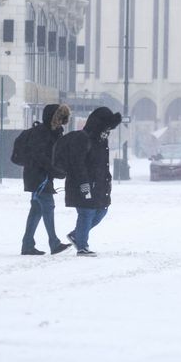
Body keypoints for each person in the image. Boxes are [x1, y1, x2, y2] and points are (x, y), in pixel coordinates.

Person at [57, 106, 122, 257]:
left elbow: (102, 164)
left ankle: (77, 236)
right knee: (86, 213)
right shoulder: (83, 139)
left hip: (99, 184)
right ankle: (82, 247)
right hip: (82, 184)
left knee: (102, 211)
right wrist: (84, 184)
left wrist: (107, 180)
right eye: (107, 127)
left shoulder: (102, 140)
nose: (108, 131)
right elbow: (78, 164)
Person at [20, 103, 72, 255]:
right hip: (39, 176)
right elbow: (41, 157)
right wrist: (55, 170)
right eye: (61, 118)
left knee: (36, 210)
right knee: (48, 207)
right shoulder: (42, 133)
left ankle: (27, 245)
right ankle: (54, 243)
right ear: (54, 118)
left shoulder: (51, 132)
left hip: (38, 175)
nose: (63, 121)